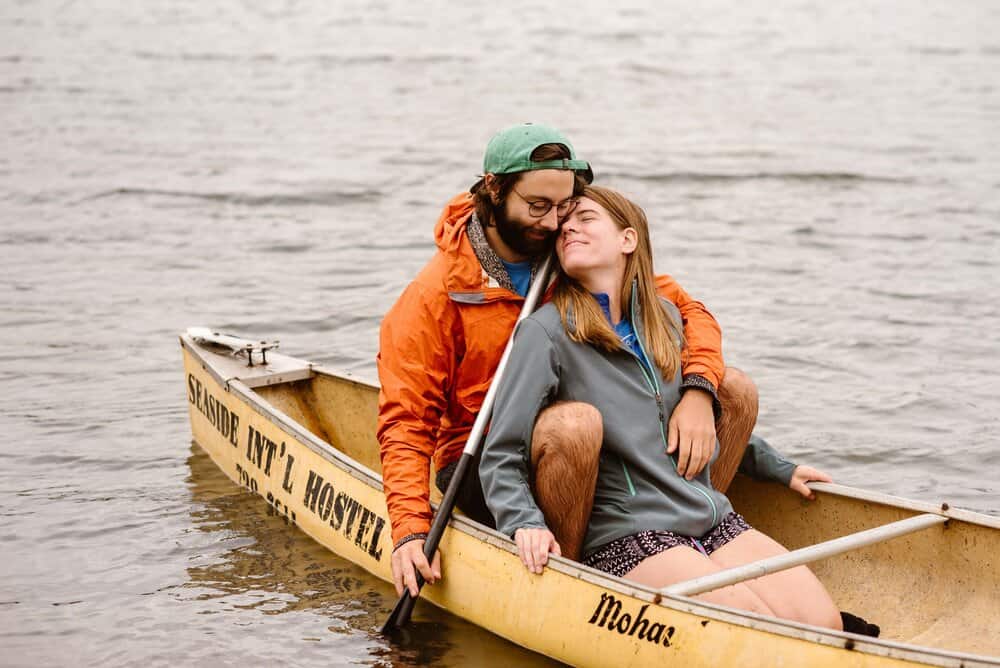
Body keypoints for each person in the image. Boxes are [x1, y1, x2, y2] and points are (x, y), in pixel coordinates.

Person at [377, 123, 770, 601]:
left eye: (564, 206)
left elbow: (687, 312)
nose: (552, 223)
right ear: (494, 189)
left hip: (604, 442)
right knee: (574, 426)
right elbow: (407, 422)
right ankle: (572, 576)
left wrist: (698, 392)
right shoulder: (433, 296)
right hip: (486, 457)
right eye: (537, 206)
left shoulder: (569, 253)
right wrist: (410, 530)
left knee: (731, 387)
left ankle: (692, 529)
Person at [479, 185, 842, 630]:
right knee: (750, 622)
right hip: (627, 530)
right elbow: (502, 451)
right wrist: (523, 522)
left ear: (627, 239)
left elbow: (677, 421)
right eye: (564, 226)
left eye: (585, 218)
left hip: (707, 515)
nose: (568, 227)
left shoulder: (666, 319)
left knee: (824, 622)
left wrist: (779, 467)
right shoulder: (545, 332)